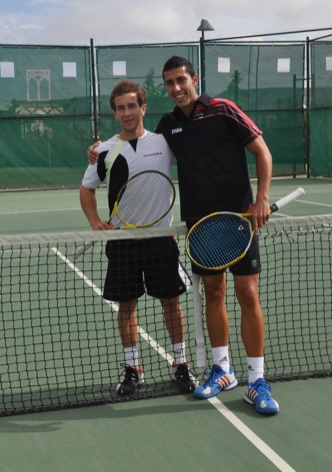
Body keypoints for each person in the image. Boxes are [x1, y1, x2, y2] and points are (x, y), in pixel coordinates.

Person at [87, 57, 279, 414]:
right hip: (200, 225)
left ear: (195, 79)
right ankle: (222, 370)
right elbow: (137, 145)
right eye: (169, 83)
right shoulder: (168, 126)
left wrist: (263, 198)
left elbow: (262, 152)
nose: (176, 88)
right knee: (214, 293)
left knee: (248, 294)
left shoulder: (224, 110)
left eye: (181, 80)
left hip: (239, 220)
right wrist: (100, 150)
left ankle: (257, 380)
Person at [79, 79, 198, 396]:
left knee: (171, 303)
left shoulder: (164, 142)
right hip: (122, 242)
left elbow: (195, 157)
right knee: (127, 306)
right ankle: (133, 369)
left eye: (132, 106)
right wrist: (94, 221)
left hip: (161, 238)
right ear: (115, 113)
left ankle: (180, 364)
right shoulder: (104, 151)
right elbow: (86, 188)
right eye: (121, 108)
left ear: (143, 108)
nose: (127, 112)